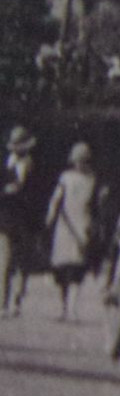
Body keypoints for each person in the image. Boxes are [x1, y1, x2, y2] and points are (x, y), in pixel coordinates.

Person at [46, 142, 97, 321]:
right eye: (78, 161)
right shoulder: (65, 177)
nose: (80, 164)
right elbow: (56, 199)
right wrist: (50, 216)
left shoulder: (92, 180)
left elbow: (95, 205)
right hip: (65, 226)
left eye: (84, 161)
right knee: (61, 270)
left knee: (76, 270)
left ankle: (72, 309)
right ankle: (63, 308)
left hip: (83, 225)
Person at [0, 126, 39, 317]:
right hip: (6, 218)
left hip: (25, 218)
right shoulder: (6, 163)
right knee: (5, 262)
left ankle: (17, 300)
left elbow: (34, 191)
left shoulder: (32, 164)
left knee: (22, 262)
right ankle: (3, 302)